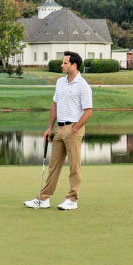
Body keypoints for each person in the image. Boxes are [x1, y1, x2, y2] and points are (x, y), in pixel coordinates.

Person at [25, 51, 93, 211]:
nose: (62, 65)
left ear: (74, 65)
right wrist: (49, 127)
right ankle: (43, 198)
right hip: (59, 129)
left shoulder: (83, 86)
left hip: (73, 129)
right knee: (53, 166)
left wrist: (75, 129)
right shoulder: (60, 82)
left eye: (65, 63)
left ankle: (72, 199)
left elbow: (88, 111)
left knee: (74, 166)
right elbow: (54, 106)